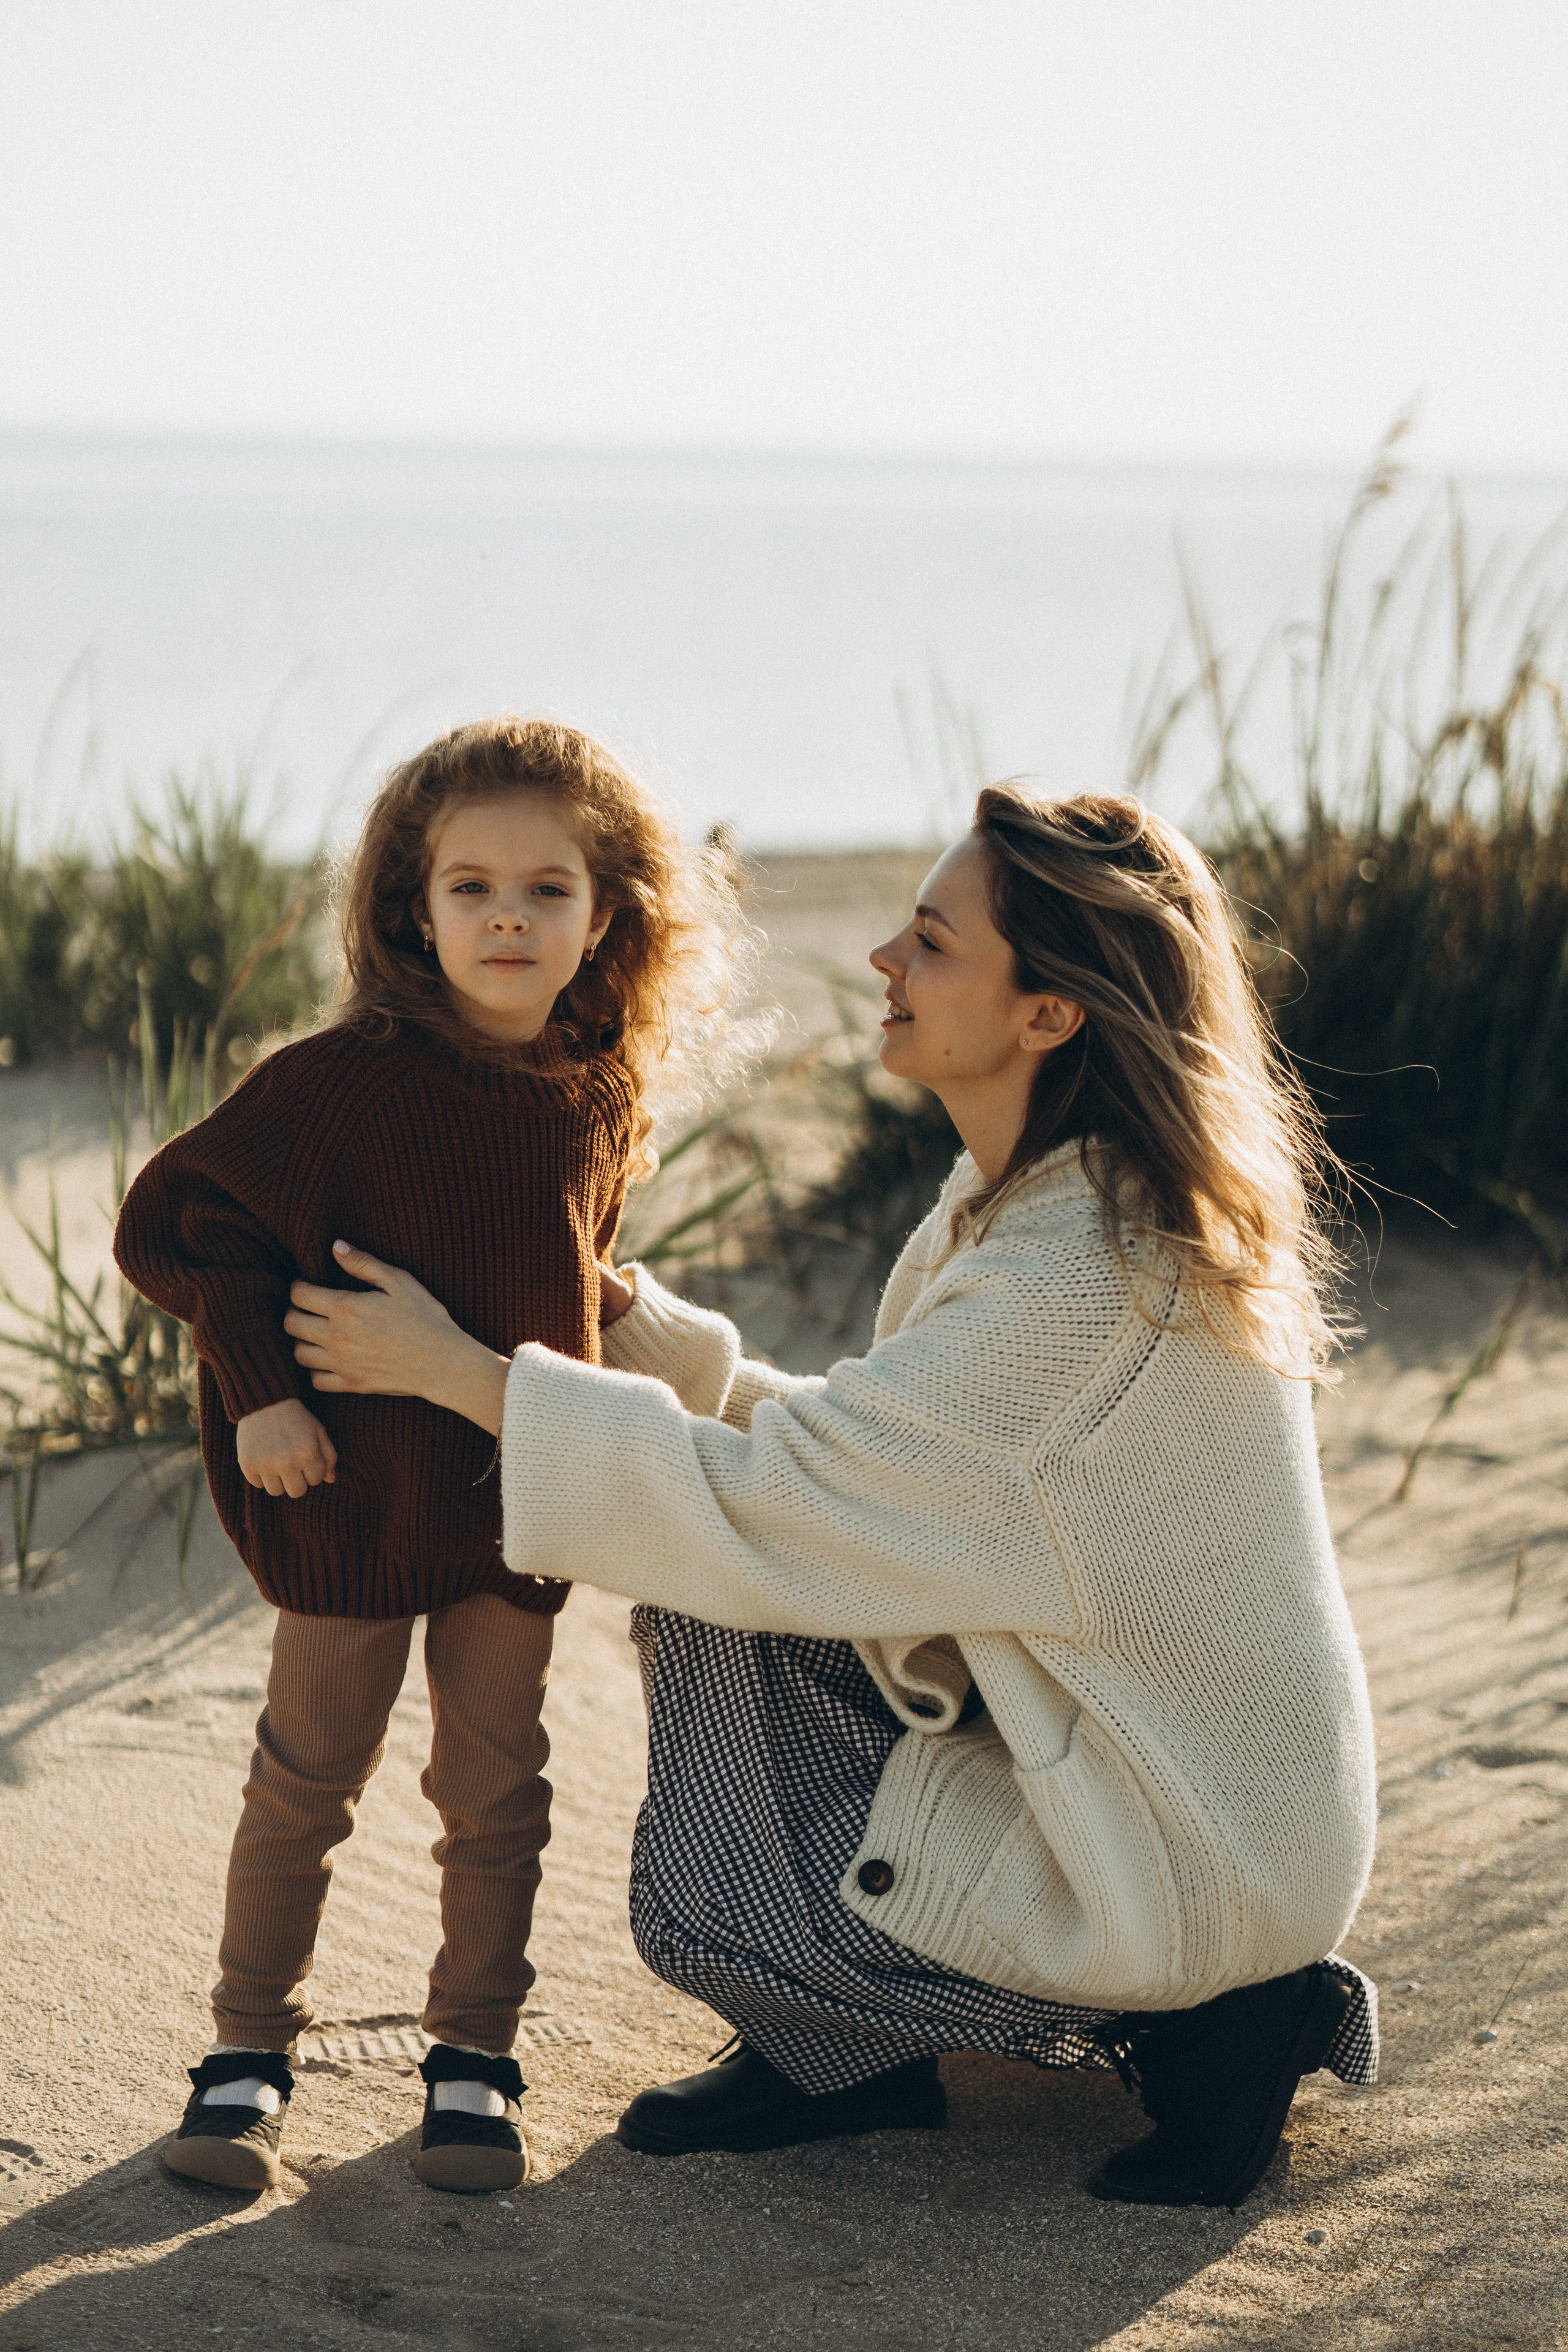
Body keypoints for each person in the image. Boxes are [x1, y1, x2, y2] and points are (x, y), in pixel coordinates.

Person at [282, 785, 1379, 2211]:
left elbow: (777, 1513)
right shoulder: (1049, 1196)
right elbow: (889, 1479)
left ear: (1048, 1014)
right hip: (1190, 1794)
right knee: (727, 1545)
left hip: (1181, 1863)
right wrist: (637, 1331)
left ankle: (1173, 2027)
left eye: (929, 941)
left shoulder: (1073, 1281)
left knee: (705, 1579)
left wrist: (461, 1375)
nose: (882, 963)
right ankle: (861, 2044)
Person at [114, 716, 756, 2196]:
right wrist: (263, 1387)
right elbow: (180, 1226)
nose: (508, 918)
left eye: (547, 889)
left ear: (607, 916)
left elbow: (559, 1260)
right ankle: (243, 2054)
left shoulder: (592, 1093)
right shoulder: (343, 1080)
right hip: (339, 1494)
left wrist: (609, 1332)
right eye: (470, 887)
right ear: (414, 906)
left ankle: (471, 2056)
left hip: (514, 1502)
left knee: (497, 1787)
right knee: (305, 1780)